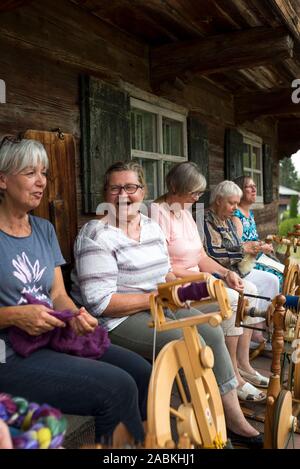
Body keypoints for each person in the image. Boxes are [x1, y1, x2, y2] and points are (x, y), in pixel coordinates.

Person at [71, 160, 263, 448]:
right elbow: (100, 303)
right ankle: (208, 427)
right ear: (105, 193)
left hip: (155, 303)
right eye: (115, 188)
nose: (124, 194)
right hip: (116, 320)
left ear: (143, 190)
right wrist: (158, 298)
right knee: (186, 339)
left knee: (210, 330)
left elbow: (166, 274)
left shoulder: (149, 226)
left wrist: (184, 292)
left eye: (132, 187)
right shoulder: (97, 234)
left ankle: (230, 416)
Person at [0, 137, 151, 446]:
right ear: (2, 179)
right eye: (30, 173)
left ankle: (143, 445)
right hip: (9, 355)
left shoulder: (43, 229)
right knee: (117, 387)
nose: (41, 181)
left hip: (51, 339)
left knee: (140, 370)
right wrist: (15, 316)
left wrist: (75, 314)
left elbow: (57, 294)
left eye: (43, 172)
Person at [152, 162, 268, 402]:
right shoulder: (157, 214)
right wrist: (203, 277)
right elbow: (164, 268)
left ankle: (243, 365)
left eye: (198, 193)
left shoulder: (184, 212)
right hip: (178, 285)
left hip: (200, 277)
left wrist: (225, 274)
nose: (196, 198)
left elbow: (202, 256)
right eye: (192, 193)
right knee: (234, 299)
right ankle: (233, 375)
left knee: (250, 289)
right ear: (175, 187)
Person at [204, 181, 280, 356]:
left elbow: (236, 248)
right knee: (251, 289)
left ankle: (256, 333)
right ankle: (244, 348)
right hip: (217, 273)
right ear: (218, 201)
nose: (234, 208)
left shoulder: (227, 221)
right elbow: (213, 253)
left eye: (237, 204)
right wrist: (244, 249)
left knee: (270, 280)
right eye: (232, 203)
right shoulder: (206, 219)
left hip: (236, 270)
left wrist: (250, 249)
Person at [232, 175, 283, 289]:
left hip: (257, 258)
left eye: (254, 186)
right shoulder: (236, 217)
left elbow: (252, 240)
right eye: (249, 187)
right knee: (279, 276)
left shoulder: (249, 214)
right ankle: (274, 305)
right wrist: (261, 248)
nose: (254, 189)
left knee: (287, 271)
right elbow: (237, 249)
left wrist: (263, 244)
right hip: (246, 265)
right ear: (239, 191)